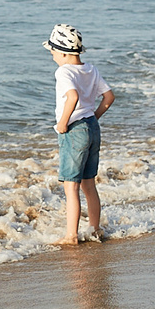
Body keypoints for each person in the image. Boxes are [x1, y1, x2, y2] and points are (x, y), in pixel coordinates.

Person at [45, 24, 115, 245]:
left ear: (63, 52)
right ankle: (94, 228)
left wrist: (62, 123)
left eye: (53, 52)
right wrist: (94, 117)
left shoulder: (63, 72)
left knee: (71, 185)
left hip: (75, 130)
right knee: (89, 184)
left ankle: (71, 235)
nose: (52, 56)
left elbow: (72, 96)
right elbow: (109, 97)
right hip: (92, 127)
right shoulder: (91, 69)